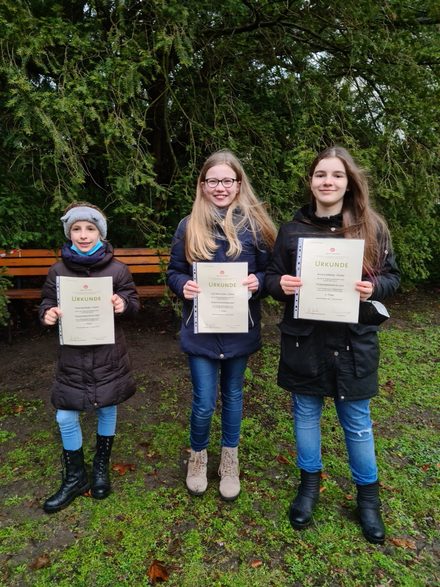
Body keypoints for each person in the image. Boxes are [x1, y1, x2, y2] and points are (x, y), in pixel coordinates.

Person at [265, 146, 400, 543]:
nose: (328, 182)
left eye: (337, 175)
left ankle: (368, 499)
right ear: (311, 181)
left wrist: (372, 286)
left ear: (348, 182)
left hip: (352, 342)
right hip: (304, 340)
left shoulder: (371, 226)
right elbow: (273, 277)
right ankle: (309, 486)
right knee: (305, 415)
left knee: (357, 424)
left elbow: (392, 277)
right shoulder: (292, 230)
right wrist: (281, 285)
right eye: (321, 174)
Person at [167, 149, 277, 501]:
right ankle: (197, 457)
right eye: (212, 180)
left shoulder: (254, 225)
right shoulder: (188, 225)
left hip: (238, 327)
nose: (220, 187)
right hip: (200, 328)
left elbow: (269, 273)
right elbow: (174, 271)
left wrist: (257, 282)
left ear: (238, 184)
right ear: (201, 185)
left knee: (232, 396)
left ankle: (229, 459)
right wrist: (181, 285)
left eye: (227, 180)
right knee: (203, 402)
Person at [39, 202, 140, 513]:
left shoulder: (117, 269)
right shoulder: (57, 270)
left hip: (107, 354)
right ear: (69, 234)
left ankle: (100, 466)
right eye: (76, 229)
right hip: (72, 356)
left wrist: (123, 304)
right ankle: (75, 475)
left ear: (101, 232)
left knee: (106, 406)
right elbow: (46, 301)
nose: (83, 235)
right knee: (64, 414)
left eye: (90, 228)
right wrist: (48, 313)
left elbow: (133, 301)